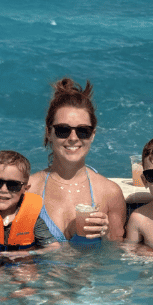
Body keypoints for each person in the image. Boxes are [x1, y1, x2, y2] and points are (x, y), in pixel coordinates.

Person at [27, 78, 127, 243]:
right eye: (63, 130)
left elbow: (115, 258)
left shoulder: (109, 193)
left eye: (83, 131)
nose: (73, 138)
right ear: (48, 133)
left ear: (92, 135)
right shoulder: (30, 189)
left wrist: (107, 235)